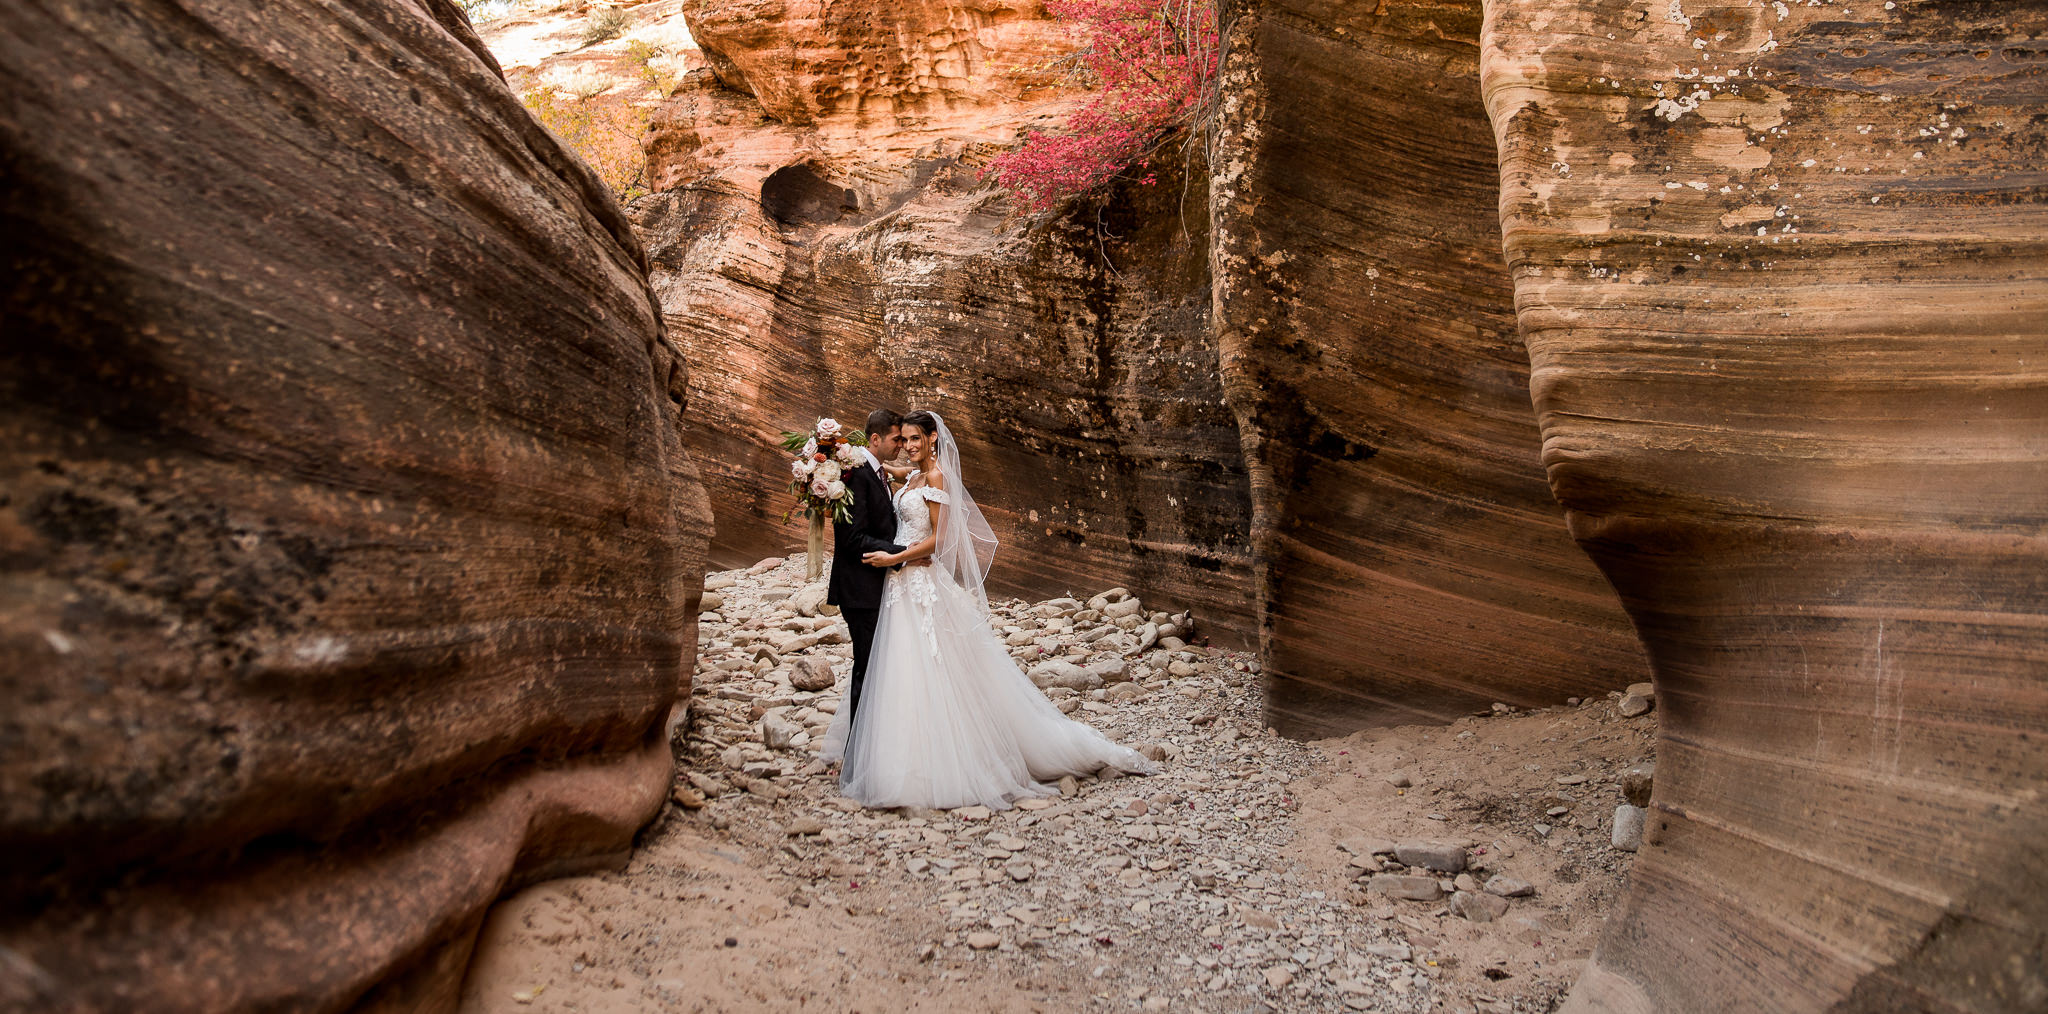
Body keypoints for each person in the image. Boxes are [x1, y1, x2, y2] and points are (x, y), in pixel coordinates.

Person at [820, 410, 1154, 809]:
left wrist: (896, 557)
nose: (908, 447)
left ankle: (948, 762)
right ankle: (889, 754)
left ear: (932, 439)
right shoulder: (908, 476)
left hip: (916, 578)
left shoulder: (939, 477)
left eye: (914, 439)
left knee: (933, 667)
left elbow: (940, 542)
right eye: (903, 439)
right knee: (896, 669)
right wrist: (838, 462)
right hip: (898, 588)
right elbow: (882, 469)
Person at [825, 408, 909, 742]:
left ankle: (870, 745)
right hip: (859, 590)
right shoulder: (856, 475)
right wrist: (900, 552)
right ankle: (857, 753)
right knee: (866, 669)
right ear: (875, 439)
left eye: (904, 438)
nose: (901, 445)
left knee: (875, 668)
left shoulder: (876, 472)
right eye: (896, 438)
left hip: (875, 587)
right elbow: (851, 538)